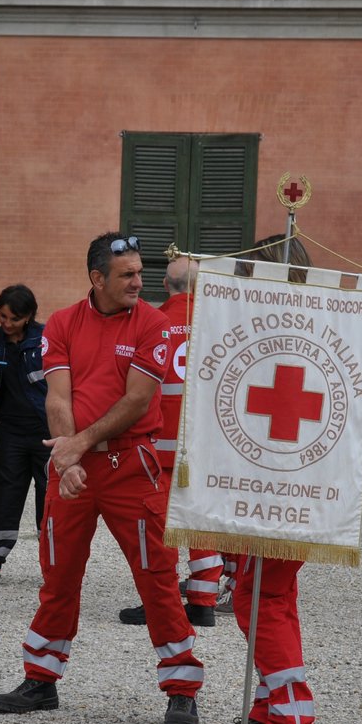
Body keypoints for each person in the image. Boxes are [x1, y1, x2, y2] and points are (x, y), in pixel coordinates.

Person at [0, 233, 204, 724]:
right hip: (74, 465)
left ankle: (182, 688)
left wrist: (75, 447)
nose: (138, 281)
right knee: (59, 573)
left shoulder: (152, 323)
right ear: (97, 279)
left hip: (132, 465)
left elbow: (136, 400)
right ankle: (41, 677)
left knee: (156, 576)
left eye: (139, 272)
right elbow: (58, 399)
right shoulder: (64, 322)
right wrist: (68, 461)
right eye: (127, 274)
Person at [217, 233, 317, 724]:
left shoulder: (280, 340)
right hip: (281, 488)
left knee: (260, 601)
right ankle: (270, 710)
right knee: (268, 596)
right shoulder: (301, 335)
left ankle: (294, 722)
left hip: (282, 487)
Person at [117, 256, 221, 627]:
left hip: (160, 440)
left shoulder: (152, 323)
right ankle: (204, 600)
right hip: (207, 443)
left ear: (165, 284)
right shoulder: (220, 325)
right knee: (200, 518)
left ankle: (159, 600)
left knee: (158, 522)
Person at [0, 284, 49, 587]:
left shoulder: (46, 340)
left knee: (50, 499)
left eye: (13, 319)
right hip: (10, 433)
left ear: (28, 317)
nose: (5, 323)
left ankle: (54, 566)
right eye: (2, 316)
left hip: (46, 432)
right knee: (5, 493)